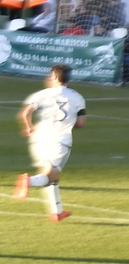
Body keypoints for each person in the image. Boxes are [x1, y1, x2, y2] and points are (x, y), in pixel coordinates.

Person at [12, 64, 87, 221]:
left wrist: (29, 127)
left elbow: (25, 113)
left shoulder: (41, 94)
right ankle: (29, 181)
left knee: (52, 175)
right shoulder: (77, 97)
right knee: (49, 175)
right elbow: (81, 123)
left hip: (39, 139)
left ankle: (57, 212)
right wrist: (67, 122)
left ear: (54, 76)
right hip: (60, 141)